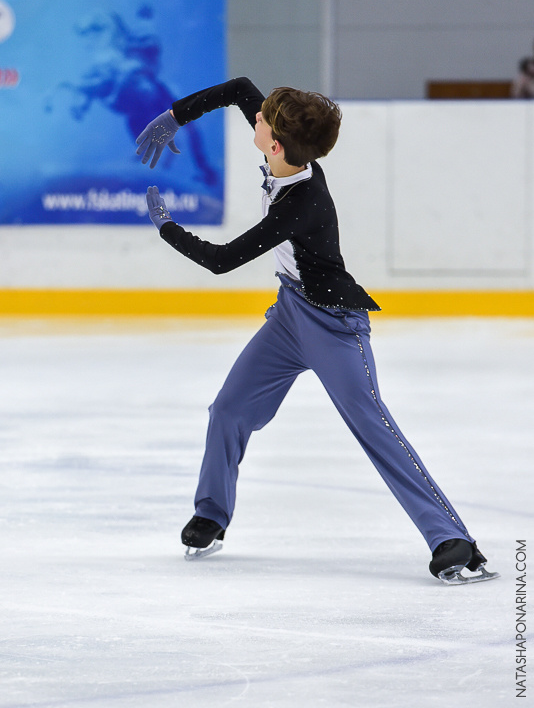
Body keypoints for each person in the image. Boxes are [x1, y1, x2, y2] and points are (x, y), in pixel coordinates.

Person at [136, 77, 499, 585]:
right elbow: (240, 89)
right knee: (229, 409)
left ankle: (454, 541)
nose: (255, 117)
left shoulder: (299, 203)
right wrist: (176, 115)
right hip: (289, 316)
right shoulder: (289, 152)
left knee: (373, 424)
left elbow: (220, 261)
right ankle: (211, 515)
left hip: (333, 325)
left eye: (262, 120)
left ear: (275, 144)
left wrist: (166, 229)